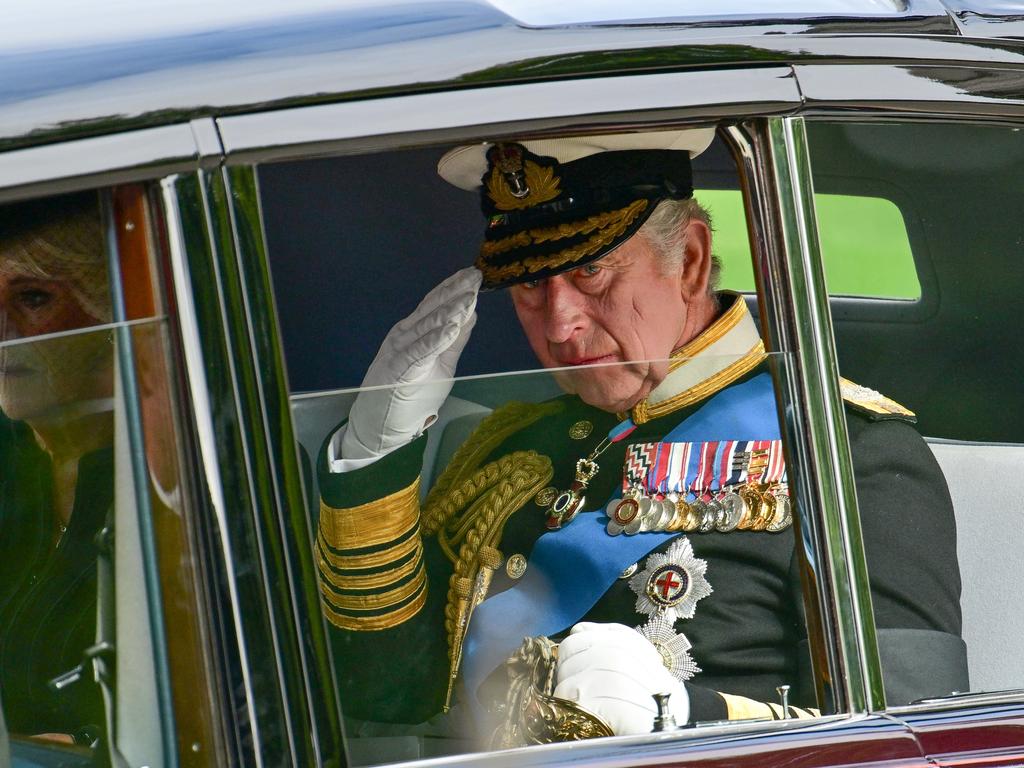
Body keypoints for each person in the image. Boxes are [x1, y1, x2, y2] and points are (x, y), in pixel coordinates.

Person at [315, 129, 966, 744]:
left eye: (592, 272)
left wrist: (685, 718)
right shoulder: (511, 447)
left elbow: (913, 736)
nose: (561, 323)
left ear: (689, 261)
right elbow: (381, 693)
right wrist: (376, 452)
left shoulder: (844, 452)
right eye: (533, 284)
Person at [0, 191, 113, 744]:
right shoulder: (9, 457)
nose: (1, 330)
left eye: (33, 298)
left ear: (106, 313)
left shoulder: (171, 478)